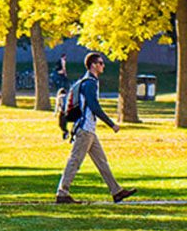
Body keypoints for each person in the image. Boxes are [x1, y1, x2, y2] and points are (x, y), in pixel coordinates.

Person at [56, 52, 137, 204]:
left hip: (89, 130)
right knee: (75, 161)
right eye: (100, 63)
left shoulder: (90, 81)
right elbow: (94, 106)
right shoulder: (90, 83)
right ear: (93, 65)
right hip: (85, 130)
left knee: (102, 161)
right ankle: (62, 193)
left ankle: (116, 191)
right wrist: (111, 124)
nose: (103, 65)